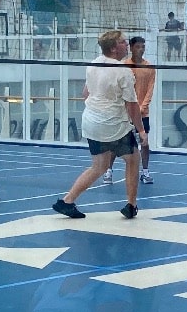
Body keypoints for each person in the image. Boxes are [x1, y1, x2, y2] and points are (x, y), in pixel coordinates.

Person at [53, 30, 141, 220]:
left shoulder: (93, 65)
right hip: (113, 124)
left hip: (91, 121)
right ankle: (131, 205)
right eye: (123, 42)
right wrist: (142, 130)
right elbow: (132, 106)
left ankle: (67, 201)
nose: (127, 44)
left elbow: (86, 93)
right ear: (113, 48)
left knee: (98, 166)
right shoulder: (123, 71)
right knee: (133, 159)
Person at [126, 35, 156, 184]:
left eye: (143, 47)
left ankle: (145, 171)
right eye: (138, 47)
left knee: (145, 142)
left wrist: (142, 107)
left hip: (143, 113)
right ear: (131, 48)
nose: (141, 50)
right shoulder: (123, 66)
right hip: (124, 112)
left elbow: (150, 90)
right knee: (115, 143)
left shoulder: (149, 67)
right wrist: (128, 108)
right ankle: (109, 171)